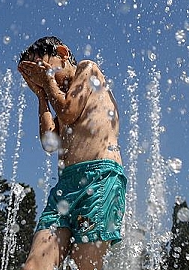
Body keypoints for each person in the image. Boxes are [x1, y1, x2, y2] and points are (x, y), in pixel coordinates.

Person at [17, 36, 126, 270]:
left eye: (42, 65)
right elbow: (49, 142)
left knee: (86, 264)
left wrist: (47, 83)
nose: (41, 73)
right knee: (36, 264)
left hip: (100, 177)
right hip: (66, 185)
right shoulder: (59, 97)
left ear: (63, 53)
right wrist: (41, 96)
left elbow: (68, 112)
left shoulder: (88, 69)